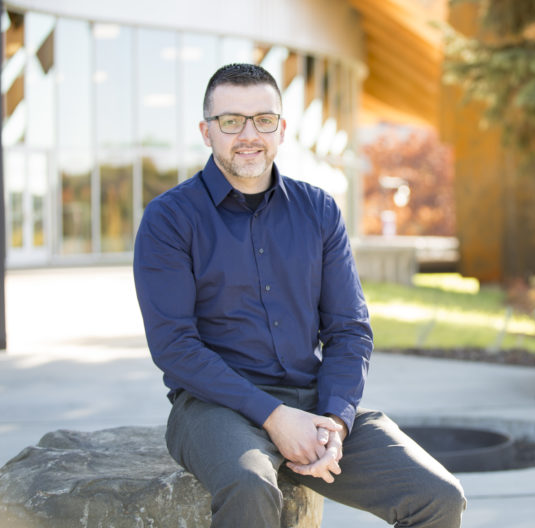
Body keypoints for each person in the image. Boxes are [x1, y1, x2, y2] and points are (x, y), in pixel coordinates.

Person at [133, 63, 466, 527]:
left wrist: (336, 421)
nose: (249, 134)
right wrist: (274, 416)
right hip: (212, 407)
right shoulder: (170, 219)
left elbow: (349, 330)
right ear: (207, 132)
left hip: (313, 402)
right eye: (231, 121)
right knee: (250, 486)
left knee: (439, 497)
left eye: (263, 119)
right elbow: (173, 346)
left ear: (282, 129)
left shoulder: (319, 211)